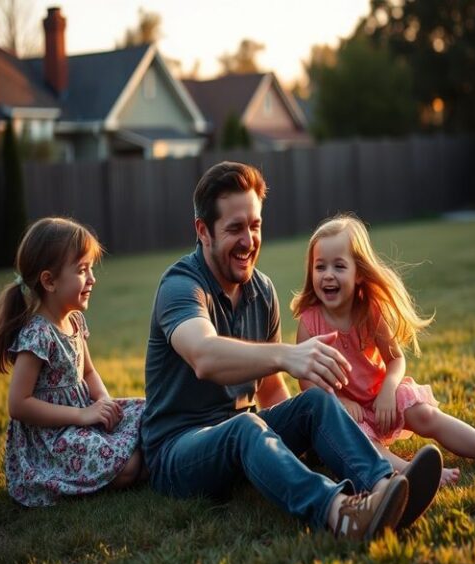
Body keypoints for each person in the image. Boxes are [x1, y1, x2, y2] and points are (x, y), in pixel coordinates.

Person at [141, 161, 443, 540]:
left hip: (242, 436)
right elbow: (204, 355)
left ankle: (384, 490)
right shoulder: (181, 287)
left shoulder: (261, 291)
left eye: (255, 225)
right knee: (245, 426)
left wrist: (298, 441)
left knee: (314, 403)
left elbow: (270, 392)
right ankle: (343, 514)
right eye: (235, 228)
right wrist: (286, 354)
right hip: (178, 452)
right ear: (203, 231)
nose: (249, 241)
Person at [291, 214, 475, 487]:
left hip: (381, 402)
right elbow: (308, 385)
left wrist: (389, 389)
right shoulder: (309, 323)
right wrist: (342, 403)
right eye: (320, 267)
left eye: (339, 266)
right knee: (365, 441)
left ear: (360, 273)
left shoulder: (370, 311)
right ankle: (413, 471)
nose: (328, 275)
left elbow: (395, 359)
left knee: (426, 415)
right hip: (342, 415)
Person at [0, 217, 146, 506]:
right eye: (83, 270)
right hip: (54, 439)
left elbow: (89, 372)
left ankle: (142, 456)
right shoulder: (37, 334)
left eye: (91, 269)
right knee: (130, 466)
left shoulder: (75, 321)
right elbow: (18, 404)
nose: (92, 279)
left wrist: (106, 405)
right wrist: (82, 416)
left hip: (86, 417)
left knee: (149, 411)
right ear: (49, 281)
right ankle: (124, 468)